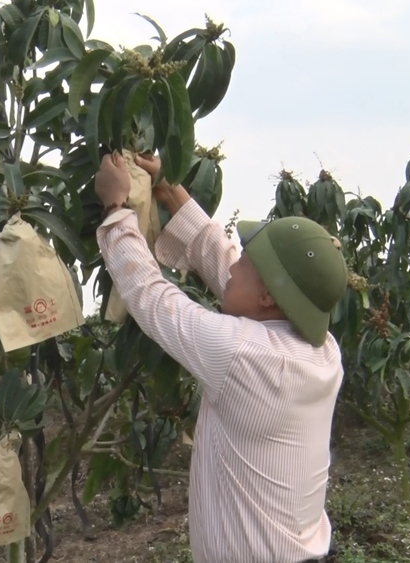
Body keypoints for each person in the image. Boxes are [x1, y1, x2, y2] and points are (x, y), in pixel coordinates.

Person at [92, 151, 348, 563]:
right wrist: (170, 190)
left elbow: (151, 297)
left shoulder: (243, 357)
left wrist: (116, 208)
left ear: (268, 295)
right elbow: (226, 264)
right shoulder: (322, 351)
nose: (236, 261)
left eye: (249, 260)